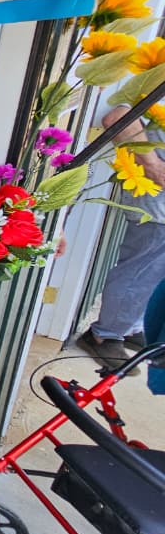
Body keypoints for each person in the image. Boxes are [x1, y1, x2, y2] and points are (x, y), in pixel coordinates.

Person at [77, 105, 165, 372]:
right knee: (139, 273)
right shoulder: (154, 83)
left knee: (154, 277)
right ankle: (104, 335)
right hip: (157, 208)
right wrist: (154, 167)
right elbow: (118, 117)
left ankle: (130, 327)